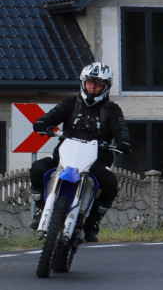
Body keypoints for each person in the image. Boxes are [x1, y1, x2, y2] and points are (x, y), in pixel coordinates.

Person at [29, 62, 132, 242]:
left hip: (96, 161)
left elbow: (121, 129)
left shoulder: (112, 110)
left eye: (98, 84)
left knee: (110, 184)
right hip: (64, 158)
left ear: (106, 87)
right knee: (37, 168)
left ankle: (92, 223)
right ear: (83, 83)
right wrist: (42, 123)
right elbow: (51, 116)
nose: (92, 88)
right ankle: (40, 208)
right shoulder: (70, 103)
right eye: (90, 83)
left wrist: (124, 141)